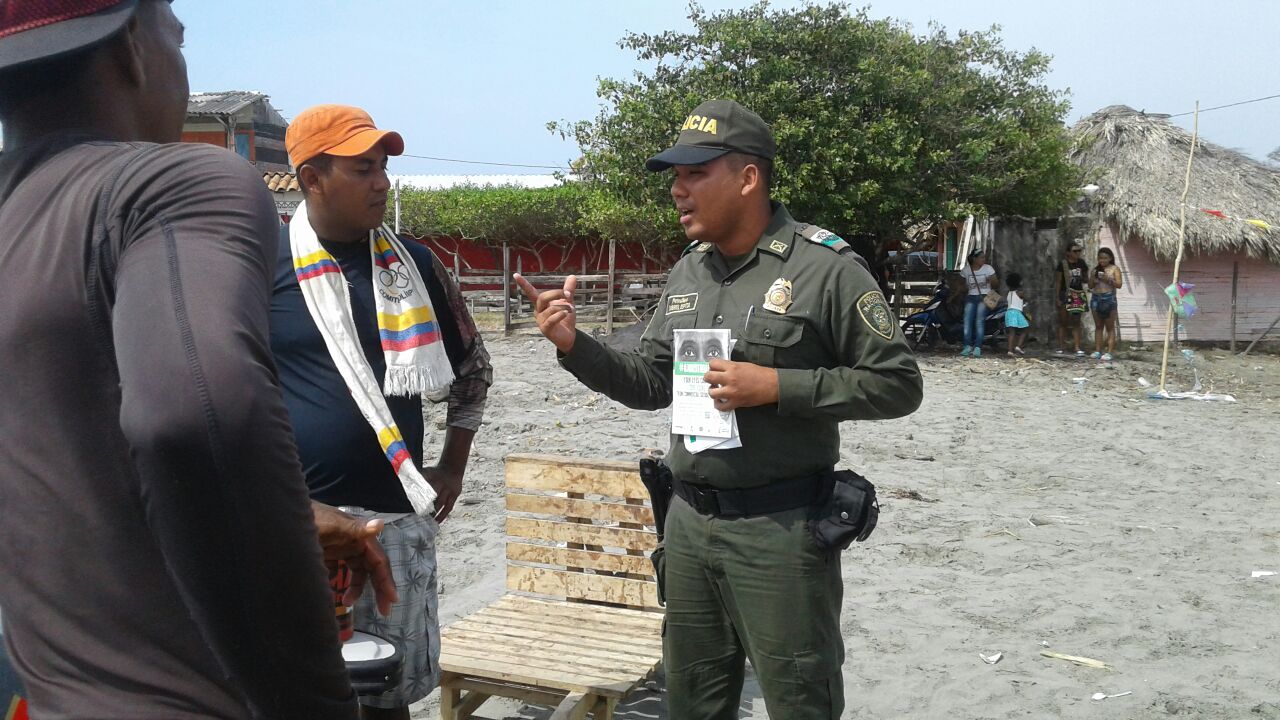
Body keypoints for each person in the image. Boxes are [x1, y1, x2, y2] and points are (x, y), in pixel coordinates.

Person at [0, 2, 393, 718]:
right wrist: (315, 699)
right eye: (176, 37)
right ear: (132, 46)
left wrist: (293, 511)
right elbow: (198, 417)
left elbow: (68, 453)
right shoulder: (172, 185)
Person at [515, 99, 923, 719]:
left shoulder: (825, 270)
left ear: (748, 177)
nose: (677, 190)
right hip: (688, 528)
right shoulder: (690, 272)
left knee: (799, 700)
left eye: (695, 173)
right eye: (675, 176)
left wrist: (778, 386)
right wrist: (575, 345)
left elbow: (898, 383)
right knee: (692, 701)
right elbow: (651, 383)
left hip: (780, 535)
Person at [272, 104, 493, 719]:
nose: (382, 183)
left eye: (383, 168)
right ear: (312, 179)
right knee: (297, 693)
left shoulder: (416, 266)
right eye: (363, 169)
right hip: (299, 526)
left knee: (388, 696)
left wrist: (452, 466)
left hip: (395, 520)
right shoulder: (261, 266)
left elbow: (474, 371)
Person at [961, 249, 999, 357]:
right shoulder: (966, 270)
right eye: (981, 257)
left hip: (985, 297)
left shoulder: (988, 269)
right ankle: (967, 346)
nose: (984, 259)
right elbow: (962, 286)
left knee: (979, 321)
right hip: (971, 297)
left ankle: (978, 347)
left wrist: (991, 280)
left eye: (984, 257)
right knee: (967, 321)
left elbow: (996, 285)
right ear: (974, 258)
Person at [1056, 242, 1090, 355]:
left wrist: (1083, 277)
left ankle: (1077, 347)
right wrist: (1057, 297)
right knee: (1063, 321)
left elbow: (1086, 279)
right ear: (1068, 252)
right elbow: (1058, 281)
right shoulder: (1063, 264)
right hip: (1065, 293)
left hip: (1078, 293)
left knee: (1076, 321)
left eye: (1079, 251)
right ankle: (1061, 346)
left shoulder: (1081, 263)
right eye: (1075, 251)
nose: (1077, 253)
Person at [1089, 247, 1123, 362]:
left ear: (1110, 258)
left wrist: (1108, 279)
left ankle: (1109, 352)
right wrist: (1093, 280)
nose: (1102, 260)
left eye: (1105, 258)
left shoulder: (1115, 269)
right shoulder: (1095, 270)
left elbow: (1119, 284)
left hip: (1109, 298)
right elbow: (1090, 286)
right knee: (1098, 326)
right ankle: (1098, 351)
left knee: (1110, 327)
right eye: (1100, 258)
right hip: (1096, 298)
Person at [1004, 272, 1030, 356]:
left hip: (1009, 312)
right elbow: (1026, 300)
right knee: (1025, 328)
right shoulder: (1020, 292)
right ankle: (1018, 346)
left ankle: (1010, 351)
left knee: (1011, 332)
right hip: (1016, 313)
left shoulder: (1009, 293)